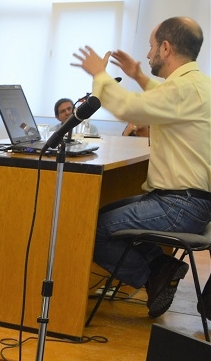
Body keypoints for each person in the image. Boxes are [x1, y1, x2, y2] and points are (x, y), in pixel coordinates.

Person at [71, 16, 210, 318]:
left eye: (150, 48)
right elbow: (165, 102)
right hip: (187, 202)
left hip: (179, 205)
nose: (147, 55)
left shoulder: (183, 90)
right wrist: (139, 76)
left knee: (90, 230)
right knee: (102, 216)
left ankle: (153, 275)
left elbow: (129, 108)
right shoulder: (198, 85)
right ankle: (161, 268)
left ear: (165, 47)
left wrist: (100, 75)